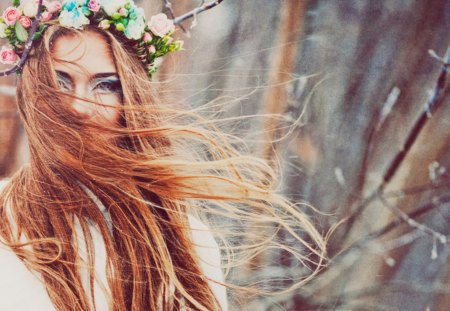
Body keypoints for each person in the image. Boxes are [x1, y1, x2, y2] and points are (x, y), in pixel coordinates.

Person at [0, 1, 325, 310]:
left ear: (131, 101)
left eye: (105, 85)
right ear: (32, 92)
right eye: (60, 81)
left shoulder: (183, 240)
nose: (78, 106)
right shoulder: (5, 217)